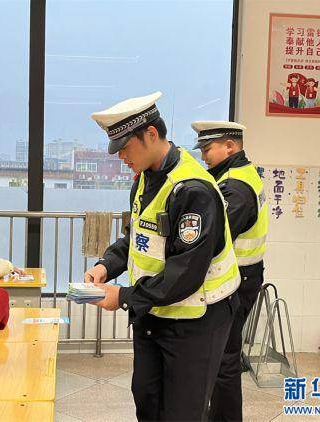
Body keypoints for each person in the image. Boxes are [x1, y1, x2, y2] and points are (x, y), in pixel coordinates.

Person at [84, 92, 240, 421]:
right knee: (147, 401)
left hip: (197, 319)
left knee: (182, 412)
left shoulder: (192, 190)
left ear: (151, 134)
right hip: (154, 312)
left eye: (125, 147)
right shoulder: (145, 179)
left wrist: (122, 296)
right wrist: (106, 265)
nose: (121, 156)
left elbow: (187, 272)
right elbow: (137, 236)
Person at [193, 121, 268, 422]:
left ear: (229, 146)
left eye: (207, 149)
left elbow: (215, 237)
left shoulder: (235, 186)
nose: (203, 156)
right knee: (225, 355)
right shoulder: (239, 174)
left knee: (224, 359)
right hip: (245, 275)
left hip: (238, 281)